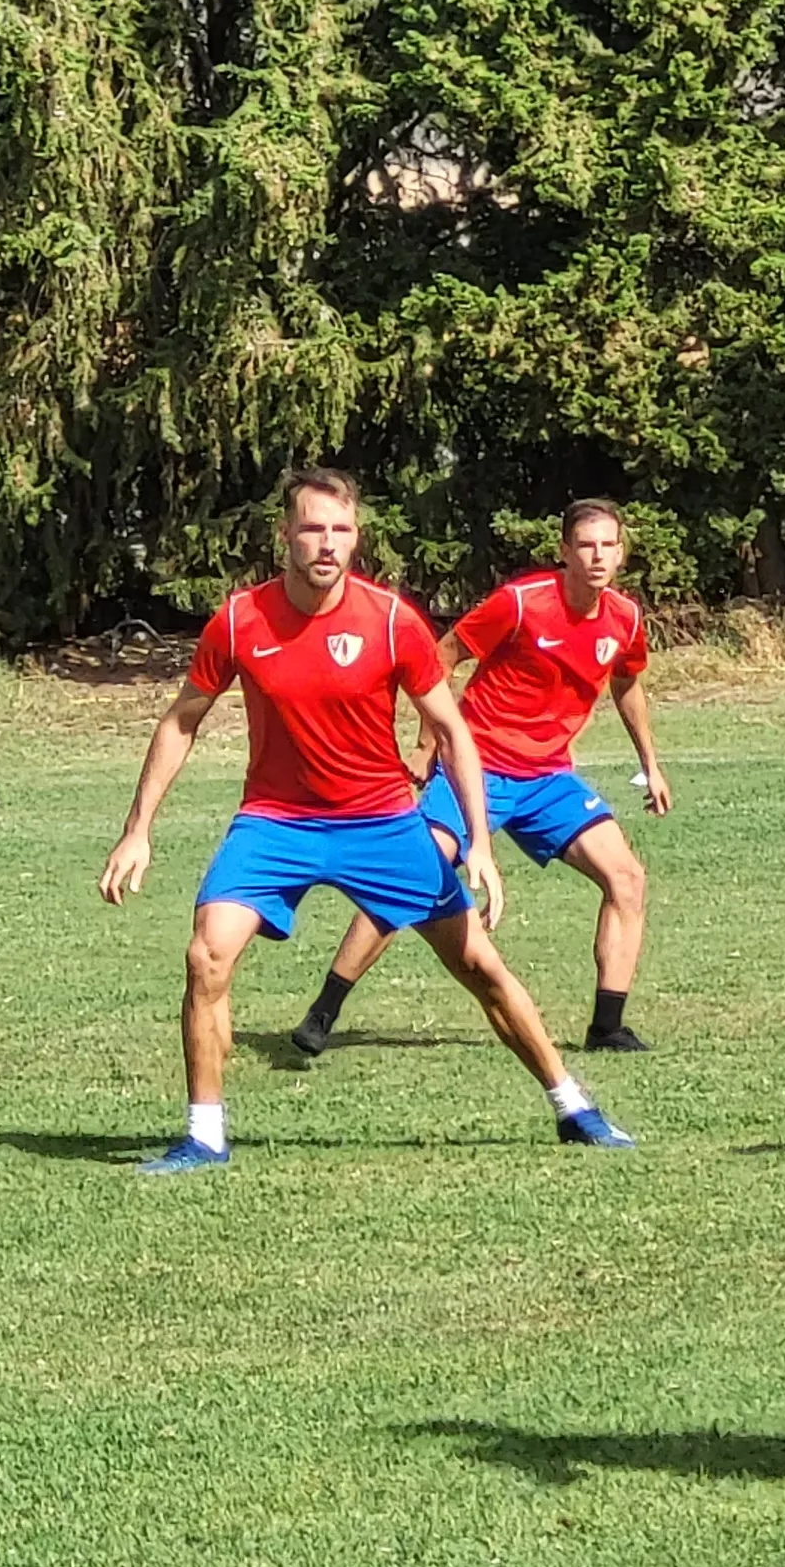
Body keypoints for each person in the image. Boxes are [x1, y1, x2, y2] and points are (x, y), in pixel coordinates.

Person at [100, 469, 630, 1166]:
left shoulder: (390, 620)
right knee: (208, 956)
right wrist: (138, 829)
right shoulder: (239, 620)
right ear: (285, 535)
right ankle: (204, 1135)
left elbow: (452, 729)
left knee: (478, 964)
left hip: (382, 822)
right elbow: (181, 721)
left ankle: (573, 1106)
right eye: (312, 529)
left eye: (341, 530)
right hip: (276, 822)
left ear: (356, 538)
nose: (327, 543)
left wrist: (478, 841)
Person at [292, 500, 672, 1059]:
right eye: (585, 545)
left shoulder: (625, 619)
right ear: (564, 552)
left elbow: (627, 684)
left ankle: (607, 1027)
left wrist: (650, 764)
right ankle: (324, 1011)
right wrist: (428, 744)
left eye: (608, 546)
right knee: (411, 874)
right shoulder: (520, 603)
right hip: (477, 766)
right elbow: (440, 657)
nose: (597, 556)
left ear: (621, 554)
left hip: (549, 778)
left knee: (627, 879)